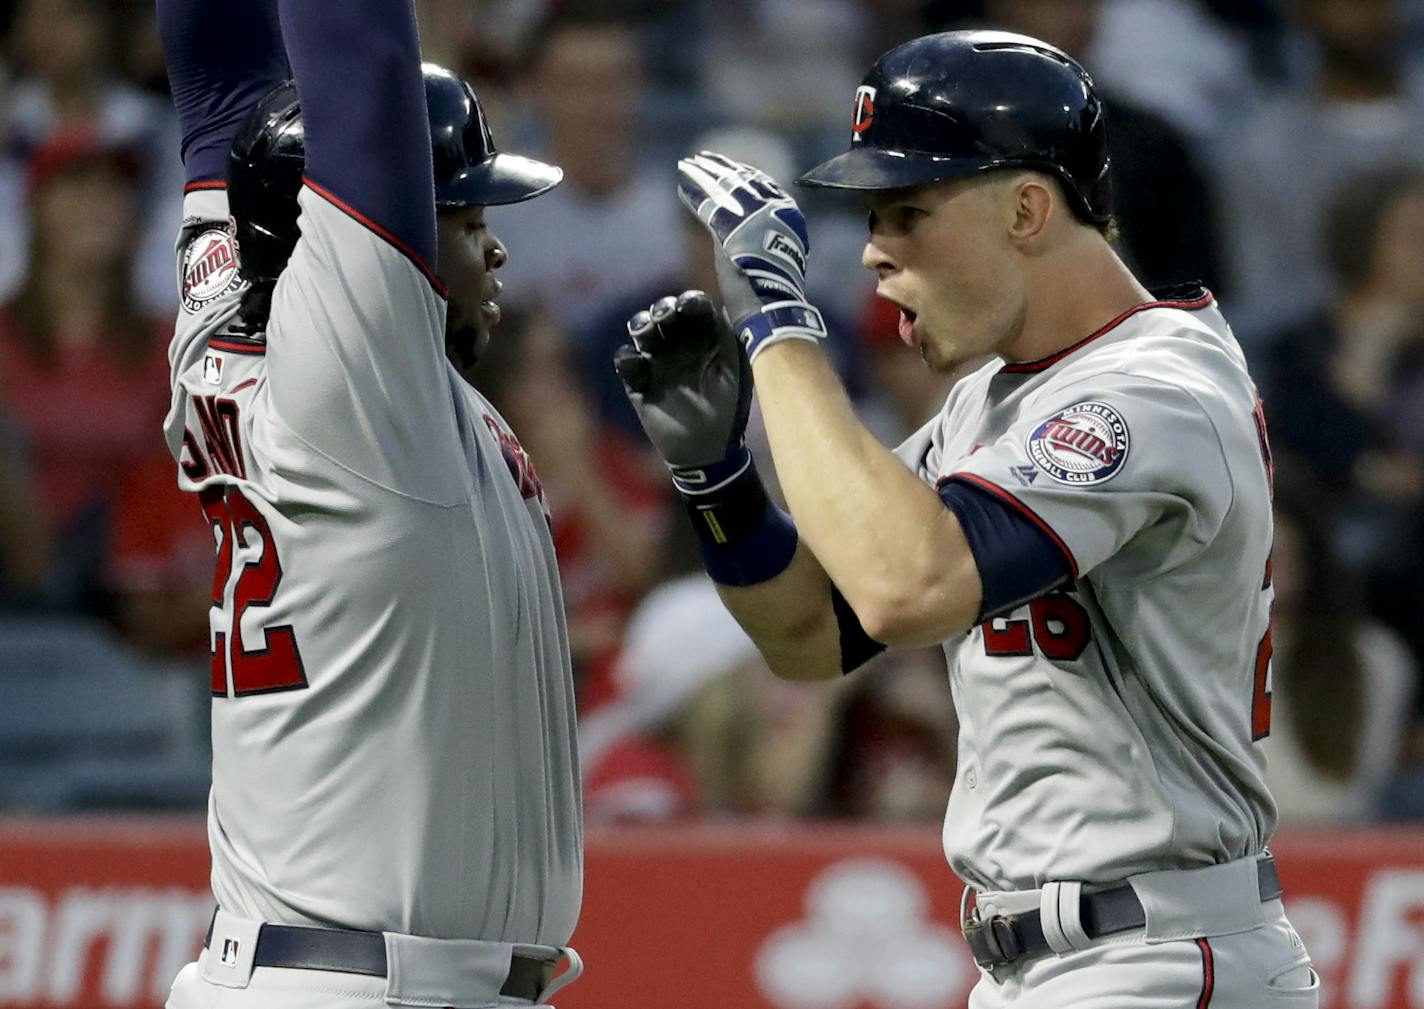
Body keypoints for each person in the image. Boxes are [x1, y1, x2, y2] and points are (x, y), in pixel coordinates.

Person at [616, 30, 1317, 1008]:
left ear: (1026, 208)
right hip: (1050, 957)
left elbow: (909, 588)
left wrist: (777, 325)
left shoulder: (1154, 386)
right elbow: (813, 633)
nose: (871, 250)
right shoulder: (993, 399)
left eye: (907, 211)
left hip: (1156, 949)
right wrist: (717, 478)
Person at [156, 1, 582, 1007]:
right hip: (358, 982)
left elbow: (220, 83)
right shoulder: (358, 373)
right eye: (468, 217)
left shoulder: (227, 323)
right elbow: (362, 53)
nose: (495, 249)